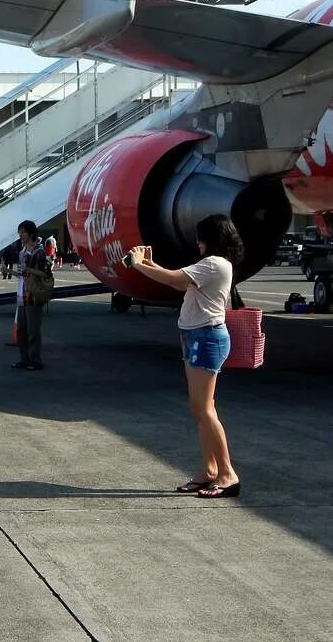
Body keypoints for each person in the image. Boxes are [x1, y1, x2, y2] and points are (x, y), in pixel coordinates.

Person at [126, 214, 243, 500]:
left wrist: (139, 265)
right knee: (201, 408)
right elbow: (178, 277)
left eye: (201, 236)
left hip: (206, 338)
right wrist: (150, 264)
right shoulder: (212, 265)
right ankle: (209, 470)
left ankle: (227, 474)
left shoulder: (214, 264)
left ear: (210, 238)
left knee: (203, 409)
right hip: (198, 337)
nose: (197, 242)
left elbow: (176, 281)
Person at [13, 220, 48, 372]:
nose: (20, 235)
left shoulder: (39, 252)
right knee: (21, 330)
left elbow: (44, 273)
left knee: (33, 330)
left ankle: (35, 360)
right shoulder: (22, 252)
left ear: (31, 234)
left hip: (33, 295)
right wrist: (9, 272)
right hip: (22, 294)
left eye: (23, 232)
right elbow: (22, 274)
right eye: (19, 232)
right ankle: (24, 358)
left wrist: (28, 269)